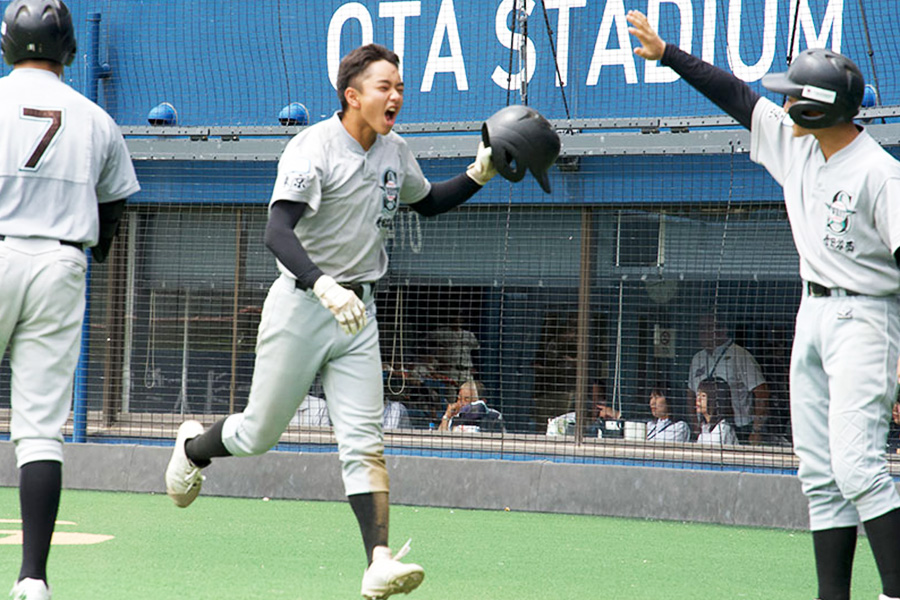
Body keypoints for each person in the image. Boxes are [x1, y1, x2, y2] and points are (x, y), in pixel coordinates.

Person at [164, 43, 497, 600]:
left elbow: (429, 201)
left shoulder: (395, 152)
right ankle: (193, 448)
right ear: (352, 95)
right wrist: (323, 285)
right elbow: (277, 232)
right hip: (302, 303)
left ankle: (378, 562)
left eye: (399, 86)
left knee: (365, 443)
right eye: (383, 86)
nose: (395, 96)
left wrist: (479, 173)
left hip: (358, 315)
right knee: (257, 433)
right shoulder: (312, 147)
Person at [629, 11, 900, 600]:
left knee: (858, 466)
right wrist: (668, 52)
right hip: (814, 315)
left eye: (794, 95)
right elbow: (735, 95)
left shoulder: (882, 175)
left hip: (868, 318)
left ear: (816, 109)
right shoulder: (797, 146)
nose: (781, 104)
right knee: (820, 474)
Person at [0, 1, 140, 598]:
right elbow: (114, 208)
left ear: (8, 46)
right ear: (70, 52)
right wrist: (99, 245)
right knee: (38, 431)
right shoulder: (93, 116)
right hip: (61, 261)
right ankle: (33, 580)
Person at [686, 313, 769, 444]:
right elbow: (690, 394)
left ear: (721, 329)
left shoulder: (740, 355)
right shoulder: (698, 358)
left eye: (707, 328)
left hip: (739, 428)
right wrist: (695, 425)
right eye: (700, 328)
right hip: (706, 428)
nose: (702, 333)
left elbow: (761, 392)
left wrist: (756, 430)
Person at [438, 380, 503, 433]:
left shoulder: (494, 416)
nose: (462, 403)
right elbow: (441, 442)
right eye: (459, 399)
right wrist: (446, 417)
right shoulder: (455, 417)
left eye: (467, 399)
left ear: (482, 401)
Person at [694, 378, 738, 446]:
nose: (698, 400)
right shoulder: (704, 426)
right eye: (697, 395)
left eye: (703, 396)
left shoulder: (722, 429)